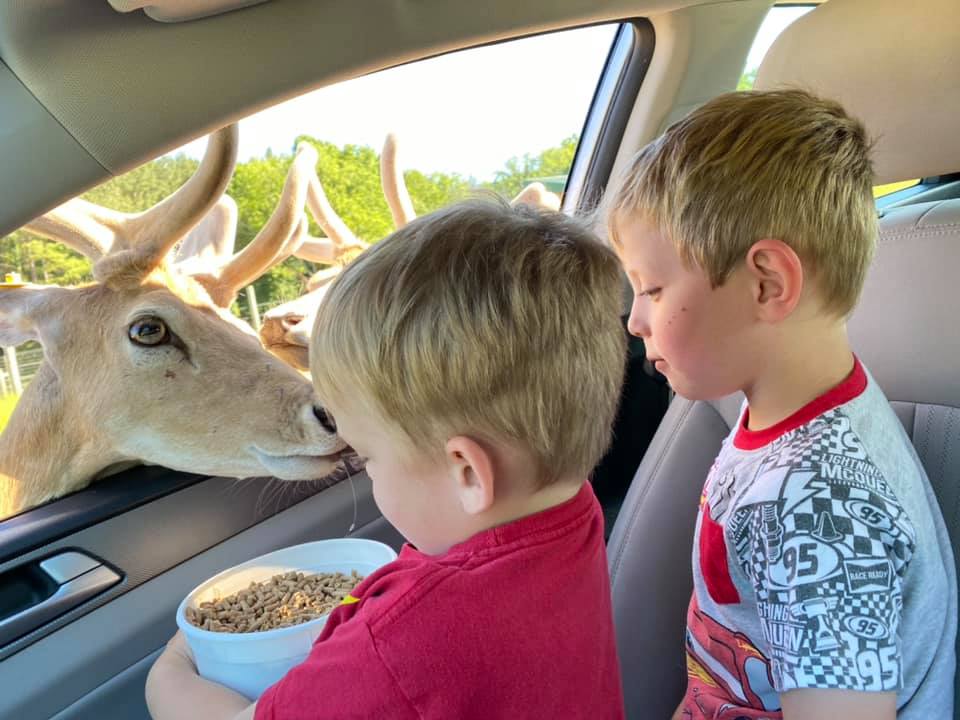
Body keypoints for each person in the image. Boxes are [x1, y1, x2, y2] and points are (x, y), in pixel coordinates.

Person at [146, 198, 629, 719]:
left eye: (368, 457)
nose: (366, 472)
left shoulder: (401, 641)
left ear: (467, 473)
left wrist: (174, 663)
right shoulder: (573, 512)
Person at [604, 88, 956, 719]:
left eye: (652, 288)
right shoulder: (796, 404)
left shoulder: (824, 509)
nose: (635, 321)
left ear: (768, 284)